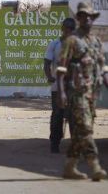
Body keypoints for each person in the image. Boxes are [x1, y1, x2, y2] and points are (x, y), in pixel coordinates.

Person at [57, 2, 108, 181]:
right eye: (84, 16)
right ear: (78, 18)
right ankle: (95, 166)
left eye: (90, 16)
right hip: (77, 93)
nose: (87, 19)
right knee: (85, 129)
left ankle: (70, 167)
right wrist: (62, 93)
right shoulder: (71, 41)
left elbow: (103, 69)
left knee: (81, 132)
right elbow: (61, 69)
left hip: (92, 93)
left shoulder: (95, 42)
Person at [43, 17, 76, 153]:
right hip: (58, 86)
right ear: (62, 28)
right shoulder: (55, 44)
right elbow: (47, 62)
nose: (67, 30)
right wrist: (49, 76)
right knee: (57, 115)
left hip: (74, 87)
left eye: (70, 28)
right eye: (66, 28)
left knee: (74, 117)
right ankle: (54, 143)